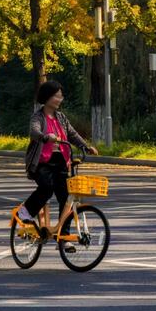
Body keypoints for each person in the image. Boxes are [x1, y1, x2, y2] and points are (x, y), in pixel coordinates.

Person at [15, 80, 98, 231]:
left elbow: (72, 134)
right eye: (57, 96)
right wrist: (46, 137)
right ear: (47, 97)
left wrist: (85, 146)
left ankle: (64, 236)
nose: (60, 99)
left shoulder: (61, 117)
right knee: (47, 187)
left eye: (61, 96)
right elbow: (34, 131)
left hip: (61, 162)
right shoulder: (38, 117)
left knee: (65, 197)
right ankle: (25, 211)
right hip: (42, 162)